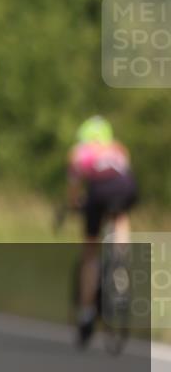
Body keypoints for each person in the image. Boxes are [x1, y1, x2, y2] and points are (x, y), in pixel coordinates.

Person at [66, 115, 136, 346]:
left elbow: (75, 189)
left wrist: (75, 203)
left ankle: (86, 313)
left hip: (99, 192)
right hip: (126, 187)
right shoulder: (118, 147)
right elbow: (124, 171)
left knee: (90, 252)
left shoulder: (80, 151)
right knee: (120, 217)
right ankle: (121, 270)